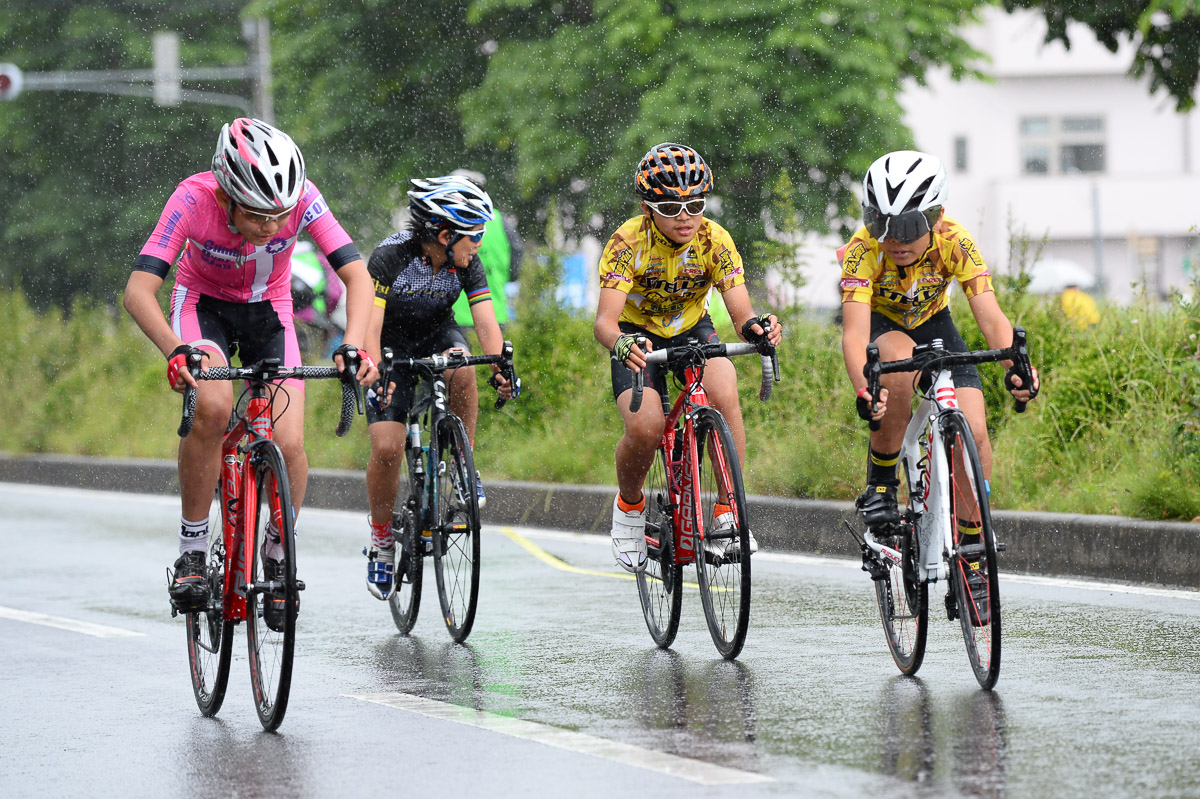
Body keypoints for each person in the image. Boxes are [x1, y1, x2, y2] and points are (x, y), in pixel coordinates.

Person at [123, 117, 379, 621]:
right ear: (228, 194)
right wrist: (176, 350)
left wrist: (353, 346)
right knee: (213, 407)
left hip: (270, 309)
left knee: (289, 441)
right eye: (259, 216)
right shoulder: (193, 199)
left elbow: (358, 277)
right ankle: (193, 548)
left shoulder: (303, 197)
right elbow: (138, 291)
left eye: (280, 216)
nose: (272, 227)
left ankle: (279, 559)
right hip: (204, 308)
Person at [838, 150, 1039, 598]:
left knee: (975, 428)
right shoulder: (861, 250)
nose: (894, 238)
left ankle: (971, 552)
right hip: (883, 327)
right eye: (880, 223)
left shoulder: (955, 240)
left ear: (936, 215)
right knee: (897, 368)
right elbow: (854, 335)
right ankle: (883, 485)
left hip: (937, 326)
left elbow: (989, 317)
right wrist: (862, 387)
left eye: (908, 226)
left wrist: (1018, 367)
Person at [594, 142, 782, 573]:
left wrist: (759, 328)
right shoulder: (627, 242)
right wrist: (622, 344)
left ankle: (728, 510)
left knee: (723, 387)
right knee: (646, 429)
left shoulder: (714, 239)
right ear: (647, 208)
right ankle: (628, 509)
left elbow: (741, 314)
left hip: (690, 329)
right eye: (671, 206)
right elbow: (604, 323)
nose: (685, 216)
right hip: (635, 336)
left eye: (695, 204)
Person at [362, 175, 516, 599]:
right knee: (388, 447)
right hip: (388, 343)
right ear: (444, 234)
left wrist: (501, 365)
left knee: (464, 370)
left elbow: (486, 323)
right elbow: (370, 326)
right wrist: (375, 371)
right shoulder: (391, 256)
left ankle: (463, 463)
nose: (479, 245)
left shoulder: (466, 263)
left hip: (436, 333)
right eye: (474, 236)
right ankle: (380, 539)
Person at [449, 168, 524, 326]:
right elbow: (517, 259)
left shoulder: (448, 221)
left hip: (456, 315)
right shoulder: (500, 221)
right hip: (493, 313)